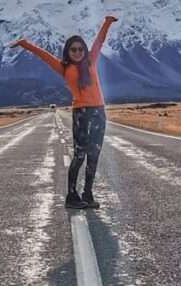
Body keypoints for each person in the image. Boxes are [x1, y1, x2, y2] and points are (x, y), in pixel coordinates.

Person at [10, 16, 117, 209]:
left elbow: (99, 41)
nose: (77, 52)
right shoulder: (64, 67)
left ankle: (88, 194)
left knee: (95, 154)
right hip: (81, 113)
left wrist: (107, 22)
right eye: (73, 49)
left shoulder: (91, 61)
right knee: (79, 155)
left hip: (99, 112)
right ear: (68, 52)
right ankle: (71, 196)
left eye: (80, 49)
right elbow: (43, 55)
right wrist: (25, 44)